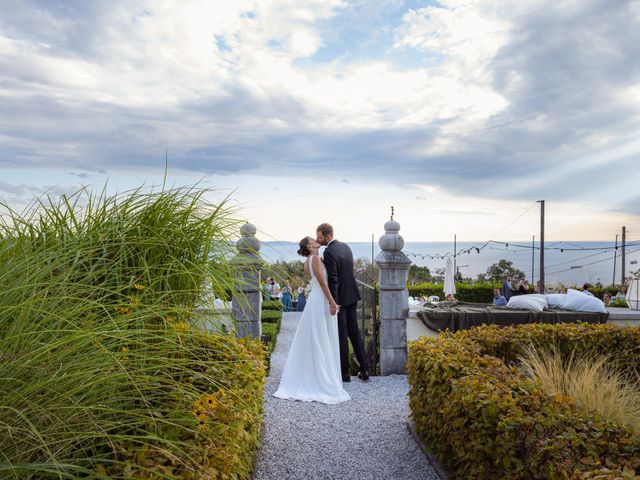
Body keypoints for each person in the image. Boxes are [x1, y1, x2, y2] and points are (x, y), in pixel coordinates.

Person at [273, 237, 350, 404]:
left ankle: (314, 373)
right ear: (309, 246)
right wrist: (332, 301)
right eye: (313, 240)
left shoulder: (309, 260)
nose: (316, 240)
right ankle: (321, 377)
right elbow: (323, 283)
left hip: (314, 299)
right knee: (320, 337)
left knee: (316, 337)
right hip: (320, 299)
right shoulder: (314, 258)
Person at [317, 223, 369, 382]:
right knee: (355, 333)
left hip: (341, 299)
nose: (318, 241)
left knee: (342, 335)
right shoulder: (346, 247)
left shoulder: (329, 252)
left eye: (320, 237)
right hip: (352, 295)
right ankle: (365, 369)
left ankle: (345, 373)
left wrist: (334, 303)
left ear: (328, 236)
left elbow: (333, 280)